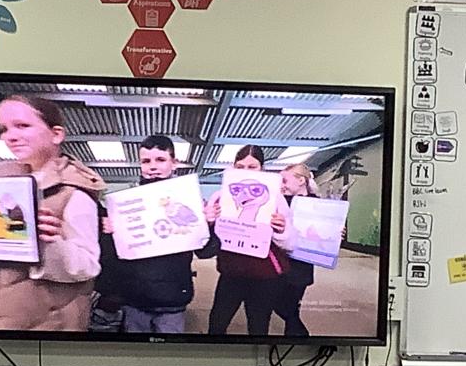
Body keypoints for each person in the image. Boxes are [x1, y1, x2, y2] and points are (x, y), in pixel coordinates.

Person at [0, 94, 105, 331]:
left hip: (39, 324)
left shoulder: (73, 191)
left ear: (56, 134)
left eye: (22, 125)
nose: (10, 136)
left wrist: (47, 243)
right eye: (4, 129)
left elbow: (87, 265)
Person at [94, 135, 216, 334]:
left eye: (160, 160)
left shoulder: (191, 202)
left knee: (168, 351)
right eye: (146, 161)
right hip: (135, 300)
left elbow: (206, 252)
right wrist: (108, 233)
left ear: (174, 163)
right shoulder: (124, 206)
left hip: (173, 300)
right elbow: (113, 258)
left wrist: (209, 224)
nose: (153, 167)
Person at [205, 145, 297, 335]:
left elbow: (290, 244)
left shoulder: (276, 199)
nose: (246, 171)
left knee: (258, 326)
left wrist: (280, 230)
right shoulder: (220, 197)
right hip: (231, 273)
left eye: (252, 166)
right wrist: (210, 222)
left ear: (262, 168)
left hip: (264, 275)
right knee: (217, 323)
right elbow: (208, 243)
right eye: (240, 166)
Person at [273, 163, 319, 336]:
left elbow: (324, 233)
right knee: (279, 304)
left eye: (285, 180)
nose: (282, 185)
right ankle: (299, 337)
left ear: (301, 180)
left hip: (301, 267)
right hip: (278, 264)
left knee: (290, 307)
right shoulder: (279, 202)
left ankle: (297, 337)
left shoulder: (319, 205)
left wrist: (336, 232)